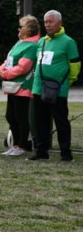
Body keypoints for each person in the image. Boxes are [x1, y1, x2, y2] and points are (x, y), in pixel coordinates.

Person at [29, 10, 80, 162]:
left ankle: (65, 152)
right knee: (41, 121)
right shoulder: (42, 41)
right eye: (45, 22)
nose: (48, 25)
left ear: (60, 23)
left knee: (61, 121)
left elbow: (75, 65)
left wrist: (68, 82)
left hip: (58, 89)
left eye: (51, 22)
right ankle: (41, 151)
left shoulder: (68, 42)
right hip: (39, 87)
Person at [0, 15, 40, 157]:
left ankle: (22, 145)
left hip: (23, 87)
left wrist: (5, 74)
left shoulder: (33, 45)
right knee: (10, 116)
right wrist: (0, 70)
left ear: (29, 29)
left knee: (21, 117)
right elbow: (9, 60)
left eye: (21, 27)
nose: (18, 29)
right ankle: (16, 144)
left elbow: (23, 67)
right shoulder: (19, 42)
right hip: (12, 86)